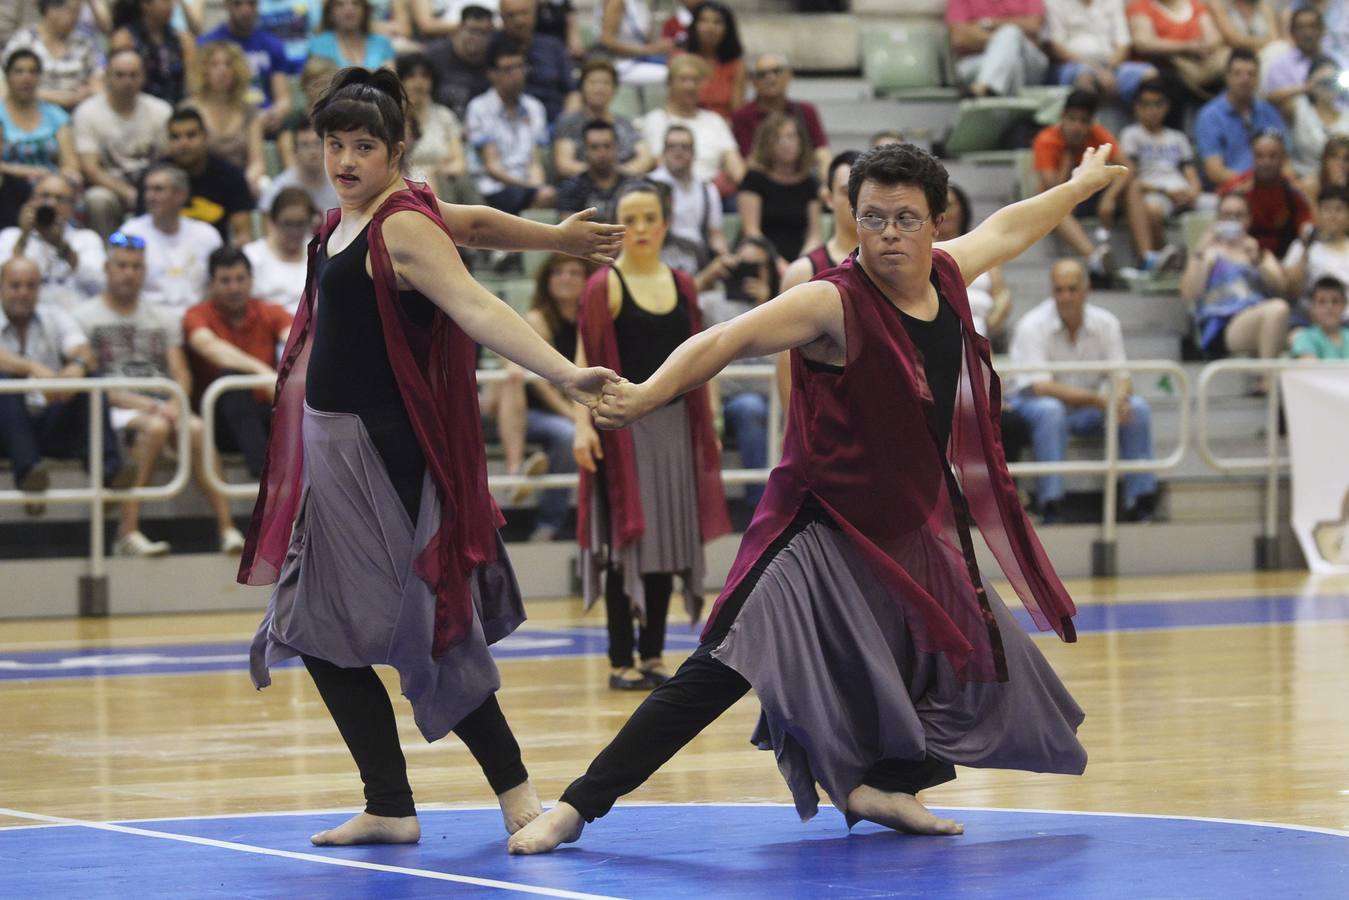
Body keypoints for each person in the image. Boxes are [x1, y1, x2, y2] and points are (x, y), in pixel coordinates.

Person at [509, 140, 1112, 856]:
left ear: (935, 223)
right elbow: (724, 339)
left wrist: (1076, 186)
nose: (888, 233)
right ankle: (578, 806)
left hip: (906, 528)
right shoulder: (831, 301)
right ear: (851, 218)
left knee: (967, 657)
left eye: (905, 219)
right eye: (873, 218)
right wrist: (644, 396)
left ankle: (884, 782)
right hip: (816, 528)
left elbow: (1012, 226)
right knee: (719, 670)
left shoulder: (948, 276)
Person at [239, 66, 621, 848]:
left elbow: (476, 303)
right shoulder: (347, 218)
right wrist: (554, 233)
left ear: (397, 152)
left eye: (363, 147)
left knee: (431, 625)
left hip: (383, 459)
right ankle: (389, 803)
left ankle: (518, 794)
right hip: (331, 459)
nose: (344, 160)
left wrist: (563, 371)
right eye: (333, 144)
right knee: (311, 630)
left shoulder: (400, 225)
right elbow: (474, 222)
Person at [571, 178, 730, 692]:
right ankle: (621, 658)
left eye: (649, 218)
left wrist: (714, 422)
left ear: (664, 224)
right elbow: (582, 361)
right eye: (630, 218)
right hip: (621, 433)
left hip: (676, 430)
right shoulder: (604, 285)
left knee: (668, 543)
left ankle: (654, 653)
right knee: (626, 544)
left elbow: (702, 360)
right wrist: (581, 426)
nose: (639, 228)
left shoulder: (684, 285)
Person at [75, 230, 242, 556]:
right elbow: (89, 379)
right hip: (113, 404)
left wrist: (175, 402)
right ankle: (128, 531)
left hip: (160, 400)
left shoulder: (162, 316)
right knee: (155, 428)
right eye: (122, 266)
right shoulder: (84, 316)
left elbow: (180, 370)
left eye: (136, 267)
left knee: (195, 427)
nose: (129, 273)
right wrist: (151, 405)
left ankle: (227, 528)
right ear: (107, 270)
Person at [1008, 258, 1159, 523]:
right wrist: (1100, 400)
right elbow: (1041, 387)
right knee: (1050, 411)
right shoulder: (1031, 325)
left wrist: (1120, 398)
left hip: (1088, 409)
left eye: (1072, 289)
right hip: (1035, 406)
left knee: (1137, 408)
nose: (1065, 296)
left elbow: (1121, 375)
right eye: (1059, 290)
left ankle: (1140, 500)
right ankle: (1050, 503)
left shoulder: (1107, 323)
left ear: (1086, 289)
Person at [0, 256, 133, 494]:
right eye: (15, 285)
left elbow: (84, 352)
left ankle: (110, 470)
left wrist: (76, 369)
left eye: (31, 286)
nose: (23, 292)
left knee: (91, 380)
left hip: (48, 415)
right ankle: (29, 472)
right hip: (5, 431)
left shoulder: (55, 315)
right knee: (5, 382)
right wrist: (33, 368)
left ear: (40, 288)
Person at [182, 246, 290, 476]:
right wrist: (263, 373)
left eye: (240, 279)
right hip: (219, 424)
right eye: (225, 281)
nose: (234, 288)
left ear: (251, 280)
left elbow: (300, 340)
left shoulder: (269, 311)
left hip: (265, 415)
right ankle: (265, 475)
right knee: (230, 381)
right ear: (211, 284)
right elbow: (209, 347)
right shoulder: (196, 315)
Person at [695, 234, 779, 510]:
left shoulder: (783, 305)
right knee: (750, 408)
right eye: (743, 265)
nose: (750, 272)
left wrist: (767, 304)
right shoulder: (712, 303)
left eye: (759, 266)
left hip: (779, 399)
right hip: (730, 400)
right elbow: (671, 309)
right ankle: (761, 506)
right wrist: (708, 275)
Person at [514, 252, 593, 541]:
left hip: (578, 406)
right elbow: (539, 384)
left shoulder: (593, 318)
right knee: (566, 435)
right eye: (558, 272)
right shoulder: (537, 318)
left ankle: (603, 522)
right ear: (547, 280)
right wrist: (572, 414)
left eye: (574, 272)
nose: (565, 278)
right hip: (535, 412)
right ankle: (549, 522)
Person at [1179, 190, 1291, 366]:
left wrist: (1258, 262)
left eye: (1238, 215)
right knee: (1277, 310)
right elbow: (1189, 294)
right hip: (1222, 323)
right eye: (1226, 215)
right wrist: (1200, 249)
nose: (1232, 221)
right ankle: (1267, 382)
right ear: (1218, 219)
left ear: (1248, 219)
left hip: (1258, 315)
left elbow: (1281, 289)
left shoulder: (1258, 252)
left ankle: (1267, 380)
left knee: (1288, 323)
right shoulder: (1209, 254)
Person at [1032, 89, 1131, 281]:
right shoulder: (1045, 141)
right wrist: (1068, 156)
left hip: (1092, 196)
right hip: (1064, 200)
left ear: (1091, 123)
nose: (1077, 127)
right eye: (1072, 119)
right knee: (1055, 210)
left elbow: (1127, 168)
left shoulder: (1098, 134)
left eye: (1084, 121)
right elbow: (1054, 191)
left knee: (1132, 189)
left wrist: (1109, 199)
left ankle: (1149, 258)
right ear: (1062, 117)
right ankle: (1095, 258)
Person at [73, 48, 171, 237]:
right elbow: (91, 169)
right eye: (120, 75)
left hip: (151, 183)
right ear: (107, 77)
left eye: (133, 75)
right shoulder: (87, 112)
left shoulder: (161, 111)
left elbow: (168, 161)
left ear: (143, 78)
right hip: (110, 186)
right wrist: (128, 193)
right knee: (97, 199)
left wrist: (149, 192)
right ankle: (109, 254)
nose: (127, 81)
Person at [465, 37, 555, 215]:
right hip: (494, 186)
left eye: (520, 67)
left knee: (553, 196)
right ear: (492, 74)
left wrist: (538, 186)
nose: (517, 75)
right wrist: (530, 186)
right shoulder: (479, 107)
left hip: (527, 185)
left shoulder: (534, 107)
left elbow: (535, 162)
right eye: (508, 69)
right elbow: (492, 167)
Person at [121, 162, 222, 316]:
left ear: (181, 195)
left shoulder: (207, 235)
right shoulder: (130, 233)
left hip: (198, 318)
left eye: (158, 189)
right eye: (147, 190)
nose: (150, 197)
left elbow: (217, 284)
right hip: (149, 320)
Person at [639, 55, 745, 199]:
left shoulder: (715, 120)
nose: (690, 86)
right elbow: (661, 164)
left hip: (715, 193)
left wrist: (748, 187)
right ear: (670, 83)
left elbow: (735, 165)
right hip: (671, 193)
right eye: (684, 80)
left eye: (696, 80)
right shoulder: (655, 120)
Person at [1119, 79, 1197, 274]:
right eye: (1146, 105)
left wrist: (1193, 193)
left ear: (1167, 107)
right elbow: (1131, 177)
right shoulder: (1132, 135)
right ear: (1136, 107)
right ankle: (1158, 259)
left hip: (1182, 191)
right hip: (1152, 191)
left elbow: (1191, 173)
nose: (1152, 110)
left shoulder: (1177, 137)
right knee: (1152, 209)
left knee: (1221, 204)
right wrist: (1166, 191)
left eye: (1157, 104)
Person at [0, 172, 104, 310]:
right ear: (31, 201)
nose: (51, 204)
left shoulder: (86, 239)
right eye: (44, 196)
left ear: (72, 207)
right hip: (23, 315)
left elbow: (100, 286)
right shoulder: (11, 236)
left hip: (73, 316)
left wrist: (61, 245)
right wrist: (24, 236)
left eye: (60, 199)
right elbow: (4, 280)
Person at [159, 106, 255, 245]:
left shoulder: (231, 176)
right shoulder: (155, 177)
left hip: (217, 259)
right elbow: (145, 229)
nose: (183, 143)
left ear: (205, 137)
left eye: (191, 135)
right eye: (175, 137)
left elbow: (243, 235)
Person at [1195, 48, 1287, 189]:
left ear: (1258, 79)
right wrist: (1254, 185)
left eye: (1251, 74)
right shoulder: (1210, 116)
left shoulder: (1268, 112)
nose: (1245, 79)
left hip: (1269, 187)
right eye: (1237, 73)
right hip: (1231, 190)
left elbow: (1285, 160)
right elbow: (1215, 171)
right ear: (1227, 77)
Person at [180, 41, 265, 193]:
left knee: (265, 187)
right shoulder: (189, 109)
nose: (222, 70)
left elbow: (257, 162)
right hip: (200, 181)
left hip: (241, 181)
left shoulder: (250, 111)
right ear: (204, 70)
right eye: (214, 65)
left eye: (228, 65)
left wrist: (242, 183)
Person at [1126, 0, 1227, 127]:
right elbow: (1143, 43)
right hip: (1165, 66)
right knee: (1168, 80)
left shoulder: (1194, 4)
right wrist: (1187, 47)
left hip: (1201, 64)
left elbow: (1214, 37)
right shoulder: (1141, 6)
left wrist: (1202, 47)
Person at [197, 0, 294, 132]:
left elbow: (283, 99)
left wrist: (273, 114)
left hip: (264, 117)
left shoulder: (273, 44)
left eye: (251, 4)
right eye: (238, 3)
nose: (246, 10)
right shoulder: (207, 43)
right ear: (226, 5)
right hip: (224, 119)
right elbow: (200, 93)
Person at [730, 53, 830, 179]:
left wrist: (827, 182)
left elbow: (822, 152)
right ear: (754, 82)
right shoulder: (742, 116)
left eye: (776, 71)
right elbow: (749, 163)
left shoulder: (806, 111)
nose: (770, 77)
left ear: (789, 76)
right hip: (761, 182)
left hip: (803, 180)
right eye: (762, 74)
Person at [737, 112, 820, 263]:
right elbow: (751, 231)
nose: (786, 143)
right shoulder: (753, 179)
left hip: (798, 255)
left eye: (791, 137)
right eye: (778, 138)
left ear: (801, 142)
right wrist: (777, 262)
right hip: (760, 254)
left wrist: (803, 262)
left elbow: (814, 235)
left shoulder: (809, 182)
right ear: (767, 144)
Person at [553, 58, 654, 180]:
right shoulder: (568, 122)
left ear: (614, 90)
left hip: (624, 185)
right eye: (593, 82)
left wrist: (619, 175)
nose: (599, 89)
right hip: (584, 187)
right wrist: (603, 173)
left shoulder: (624, 123)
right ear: (582, 88)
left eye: (606, 83)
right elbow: (564, 165)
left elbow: (645, 158)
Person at [649, 123, 727, 276]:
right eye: (672, 146)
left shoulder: (708, 189)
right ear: (663, 152)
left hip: (697, 259)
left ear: (694, 152)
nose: (678, 151)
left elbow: (715, 235)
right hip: (659, 256)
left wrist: (724, 256)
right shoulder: (649, 186)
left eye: (684, 147)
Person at [1219, 130, 1311, 258]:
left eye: (1273, 156)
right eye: (1260, 156)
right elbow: (1220, 227)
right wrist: (1236, 199)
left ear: (1283, 158)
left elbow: (1306, 229)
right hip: (1243, 256)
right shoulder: (1235, 188)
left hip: (1286, 259)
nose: (1266, 163)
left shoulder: (1294, 191)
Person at [0, 0, 104, 112]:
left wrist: (86, 92)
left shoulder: (84, 42)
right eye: (73, 11)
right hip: (33, 109)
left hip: (78, 111)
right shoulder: (24, 41)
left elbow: (98, 84)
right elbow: (5, 85)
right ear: (52, 10)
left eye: (78, 12)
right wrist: (57, 98)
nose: (76, 18)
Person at [1045, 0, 1158, 102]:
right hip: (1073, 63)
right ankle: (1086, 123)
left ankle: (1146, 124)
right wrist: (1097, 70)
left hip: (1111, 63)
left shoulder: (1113, 2)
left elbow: (1123, 44)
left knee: (1150, 74)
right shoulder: (1054, 2)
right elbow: (1055, 46)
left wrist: (1108, 69)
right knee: (1084, 76)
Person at [940, 183, 1012, 341]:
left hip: (979, 330)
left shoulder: (980, 247)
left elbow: (1002, 295)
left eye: (950, 206)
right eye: (939, 206)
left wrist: (990, 322)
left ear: (962, 210)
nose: (944, 212)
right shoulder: (922, 251)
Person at [396, 52, 471, 204]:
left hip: (444, 180)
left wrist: (435, 171)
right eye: (411, 76)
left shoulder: (445, 116)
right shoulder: (393, 117)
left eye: (425, 76)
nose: (418, 82)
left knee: (459, 182)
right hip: (404, 181)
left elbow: (459, 163)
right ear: (401, 81)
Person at [0, 49, 82, 187]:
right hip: (8, 185)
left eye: (33, 72)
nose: (26, 78)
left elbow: (71, 165)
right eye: (19, 72)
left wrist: (63, 176)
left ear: (39, 77)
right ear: (7, 77)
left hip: (49, 186)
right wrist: (28, 172)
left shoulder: (55, 115)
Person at [947, 0, 1050, 98]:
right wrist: (1005, 42)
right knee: (1011, 60)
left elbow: (1033, 26)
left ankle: (983, 89)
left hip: (1029, 62)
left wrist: (988, 23)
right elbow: (959, 38)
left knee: (1010, 32)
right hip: (977, 63)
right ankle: (992, 92)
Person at [498, 0, 576, 123]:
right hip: (506, 123)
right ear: (502, 18)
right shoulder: (493, 48)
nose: (519, 21)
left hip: (553, 121)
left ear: (535, 14)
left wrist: (564, 124)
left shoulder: (553, 46)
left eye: (524, 13)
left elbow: (572, 92)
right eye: (511, 15)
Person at [243, 186, 314, 313]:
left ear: (310, 222)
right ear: (272, 222)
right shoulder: (252, 256)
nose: (294, 231)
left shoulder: (320, 252)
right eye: (287, 224)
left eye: (300, 224)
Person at [109, 0, 193, 106]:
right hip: (137, 108)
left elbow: (192, 82)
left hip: (177, 106)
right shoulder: (125, 37)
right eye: (165, 1)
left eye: (171, 1)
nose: (170, 5)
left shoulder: (182, 39)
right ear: (146, 5)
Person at [1282, 56, 1349, 185]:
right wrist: (1306, 87)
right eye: (1323, 82)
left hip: (1342, 182)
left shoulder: (1347, 115)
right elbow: (1271, 101)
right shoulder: (1299, 108)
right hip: (1304, 179)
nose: (1328, 87)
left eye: (1332, 81)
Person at [556, 120, 635, 223]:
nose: (602, 153)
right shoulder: (571, 188)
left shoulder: (632, 185)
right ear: (585, 150)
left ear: (616, 147)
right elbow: (570, 229)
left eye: (607, 146)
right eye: (594, 147)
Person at [423, 4, 492, 122]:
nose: (477, 37)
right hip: (440, 124)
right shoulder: (434, 55)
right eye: (472, 31)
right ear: (460, 28)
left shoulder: (494, 61)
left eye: (483, 32)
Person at [258, 118, 340, 215]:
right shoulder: (279, 189)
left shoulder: (342, 184)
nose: (313, 151)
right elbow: (269, 224)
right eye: (305, 145)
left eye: (317, 144)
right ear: (295, 151)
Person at [1282, 184, 1349, 303]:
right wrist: (1306, 250)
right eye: (1327, 209)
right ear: (1318, 214)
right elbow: (1290, 292)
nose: (1333, 216)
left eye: (1339, 209)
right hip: (1313, 315)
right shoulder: (1301, 246)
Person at [677, 2, 743, 121]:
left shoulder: (736, 65)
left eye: (717, 22)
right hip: (686, 125)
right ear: (694, 25)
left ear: (727, 29)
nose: (710, 28)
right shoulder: (681, 59)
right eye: (704, 21)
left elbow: (737, 112)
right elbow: (674, 103)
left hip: (723, 128)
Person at [595, 0, 672, 88]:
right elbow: (606, 40)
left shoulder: (643, 4)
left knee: (678, 67)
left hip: (641, 60)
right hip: (620, 63)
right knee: (673, 76)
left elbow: (647, 41)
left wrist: (661, 46)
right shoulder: (616, 2)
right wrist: (646, 50)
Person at [308, 0, 396, 71]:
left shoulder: (382, 43)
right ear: (330, 13)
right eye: (340, 4)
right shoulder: (319, 44)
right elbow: (318, 85)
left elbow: (390, 83)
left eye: (356, 3)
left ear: (365, 10)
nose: (349, 9)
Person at [1265, 6, 1323, 108]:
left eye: (1312, 26)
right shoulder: (1280, 66)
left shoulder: (1337, 60)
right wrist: (1308, 87)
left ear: (1322, 30)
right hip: (1300, 119)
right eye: (1301, 28)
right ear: (1292, 33)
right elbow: (1272, 99)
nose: (1307, 33)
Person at [1291, 274, 1349, 357]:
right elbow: (1309, 367)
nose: (1329, 307)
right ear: (1313, 307)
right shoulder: (1305, 338)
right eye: (1322, 302)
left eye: (1335, 301)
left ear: (1344, 305)